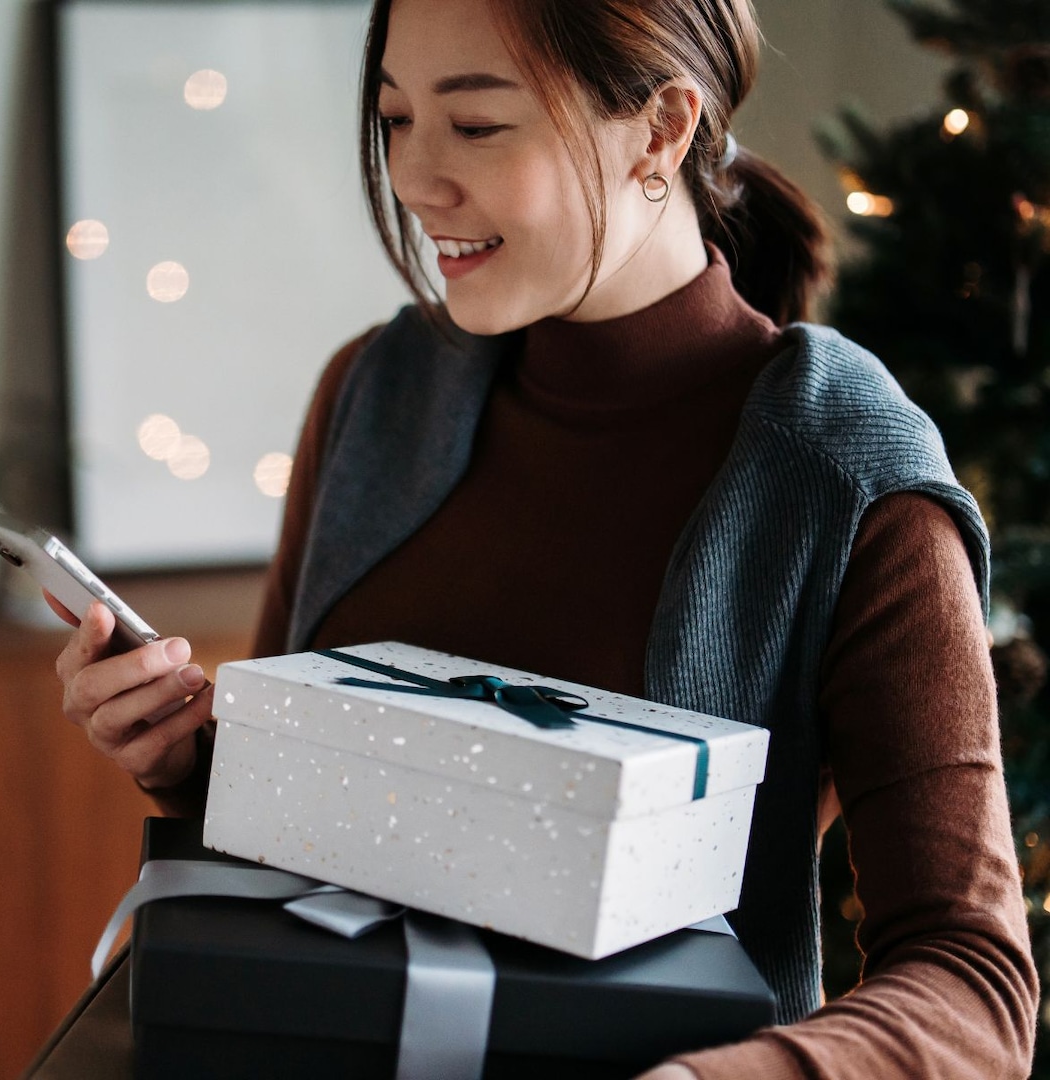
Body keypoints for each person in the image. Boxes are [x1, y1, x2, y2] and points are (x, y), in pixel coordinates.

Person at [52, 0, 1039, 1076]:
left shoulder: (849, 475)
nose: (417, 180)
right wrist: (189, 758)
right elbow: (328, 828)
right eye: (393, 119)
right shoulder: (374, 394)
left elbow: (974, 987)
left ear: (661, 127)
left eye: (477, 127)